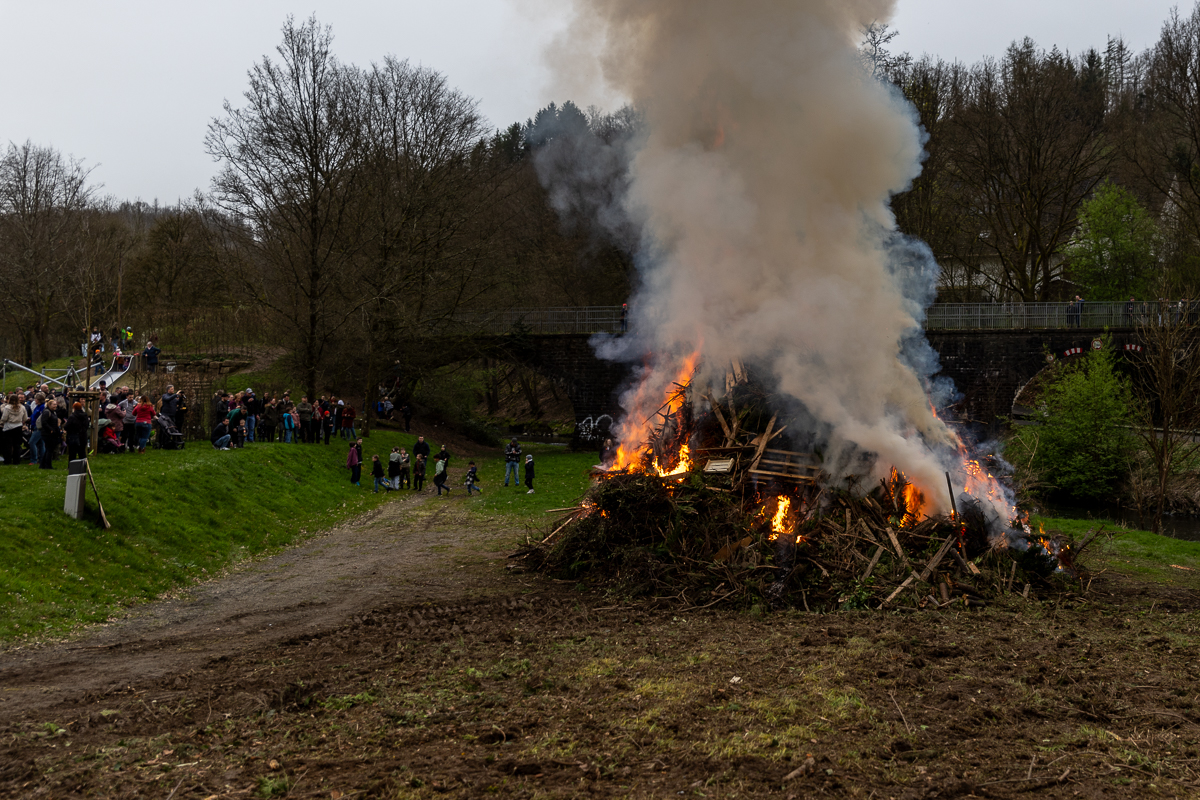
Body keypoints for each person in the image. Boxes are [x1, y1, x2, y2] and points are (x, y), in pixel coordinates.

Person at [2, 394, 29, 466]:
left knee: (8, 445)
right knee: (17, 445)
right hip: (18, 426)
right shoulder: (22, 407)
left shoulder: (7, 407)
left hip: (8, 427)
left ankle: (7, 460)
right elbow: (25, 418)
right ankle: (16, 460)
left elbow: (4, 418)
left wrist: (2, 423)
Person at [39, 398, 62, 469]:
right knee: (49, 450)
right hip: (48, 434)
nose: (55, 406)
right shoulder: (46, 412)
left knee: (48, 449)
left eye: (56, 404)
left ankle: (43, 465)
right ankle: (48, 465)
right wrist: (50, 429)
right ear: (49, 405)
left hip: (53, 433)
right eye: (54, 404)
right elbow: (44, 422)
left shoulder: (53, 412)